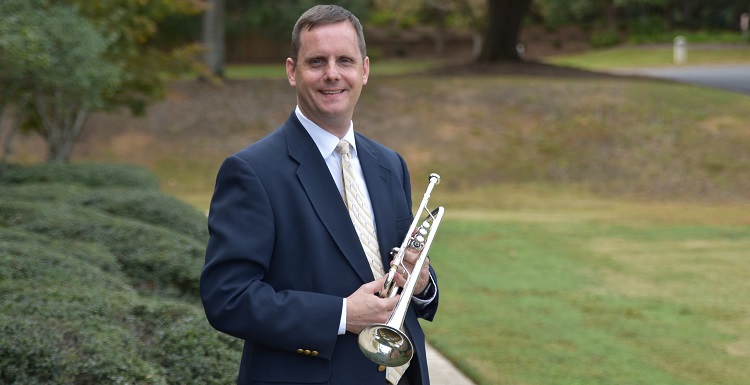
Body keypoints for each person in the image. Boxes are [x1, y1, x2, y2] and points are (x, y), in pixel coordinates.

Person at [200, 4, 439, 385]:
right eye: (317, 62)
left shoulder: (389, 164)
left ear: (364, 70)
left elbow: (397, 268)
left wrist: (422, 282)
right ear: (293, 72)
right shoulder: (252, 171)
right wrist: (342, 314)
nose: (332, 74)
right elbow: (227, 298)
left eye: (344, 60)